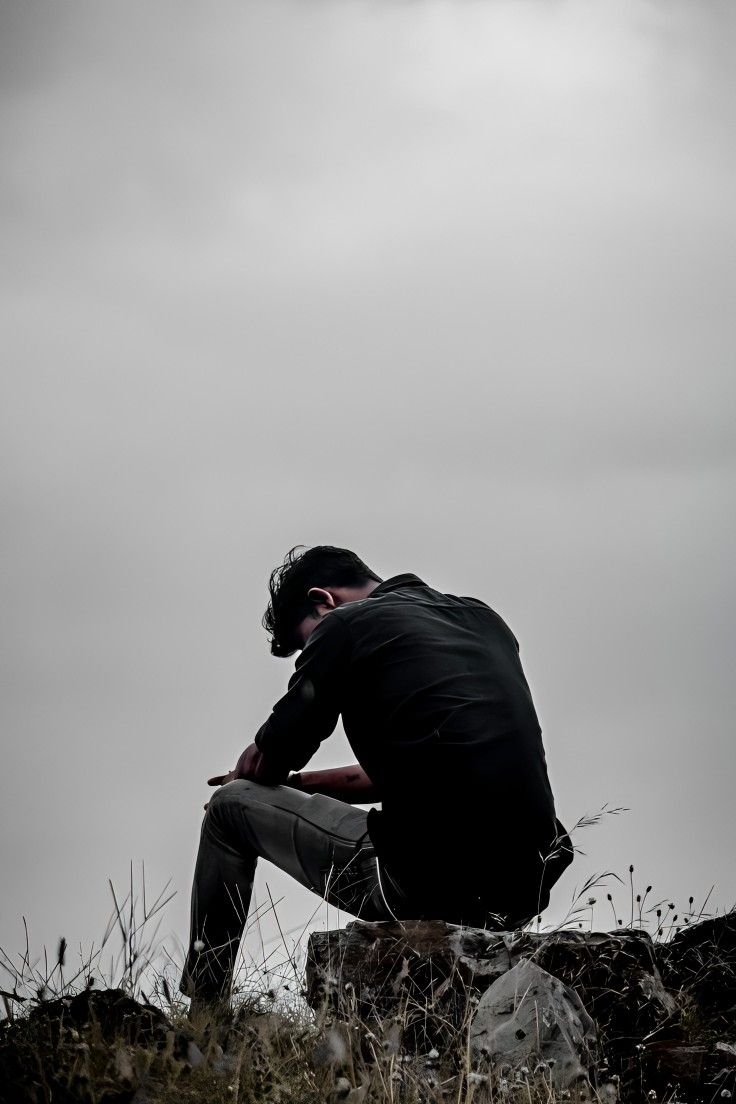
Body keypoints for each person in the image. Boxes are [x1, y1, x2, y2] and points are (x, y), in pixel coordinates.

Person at [180, 545, 573, 1003]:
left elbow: (269, 760)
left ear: (322, 599)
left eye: (306, 645)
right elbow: (418, 772)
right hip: (524, 882)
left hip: (426, 881)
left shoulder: (345, 626)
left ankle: (205, 1012)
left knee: (231, 807)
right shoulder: (481, 618)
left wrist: (249, 778)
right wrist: (296, 788)